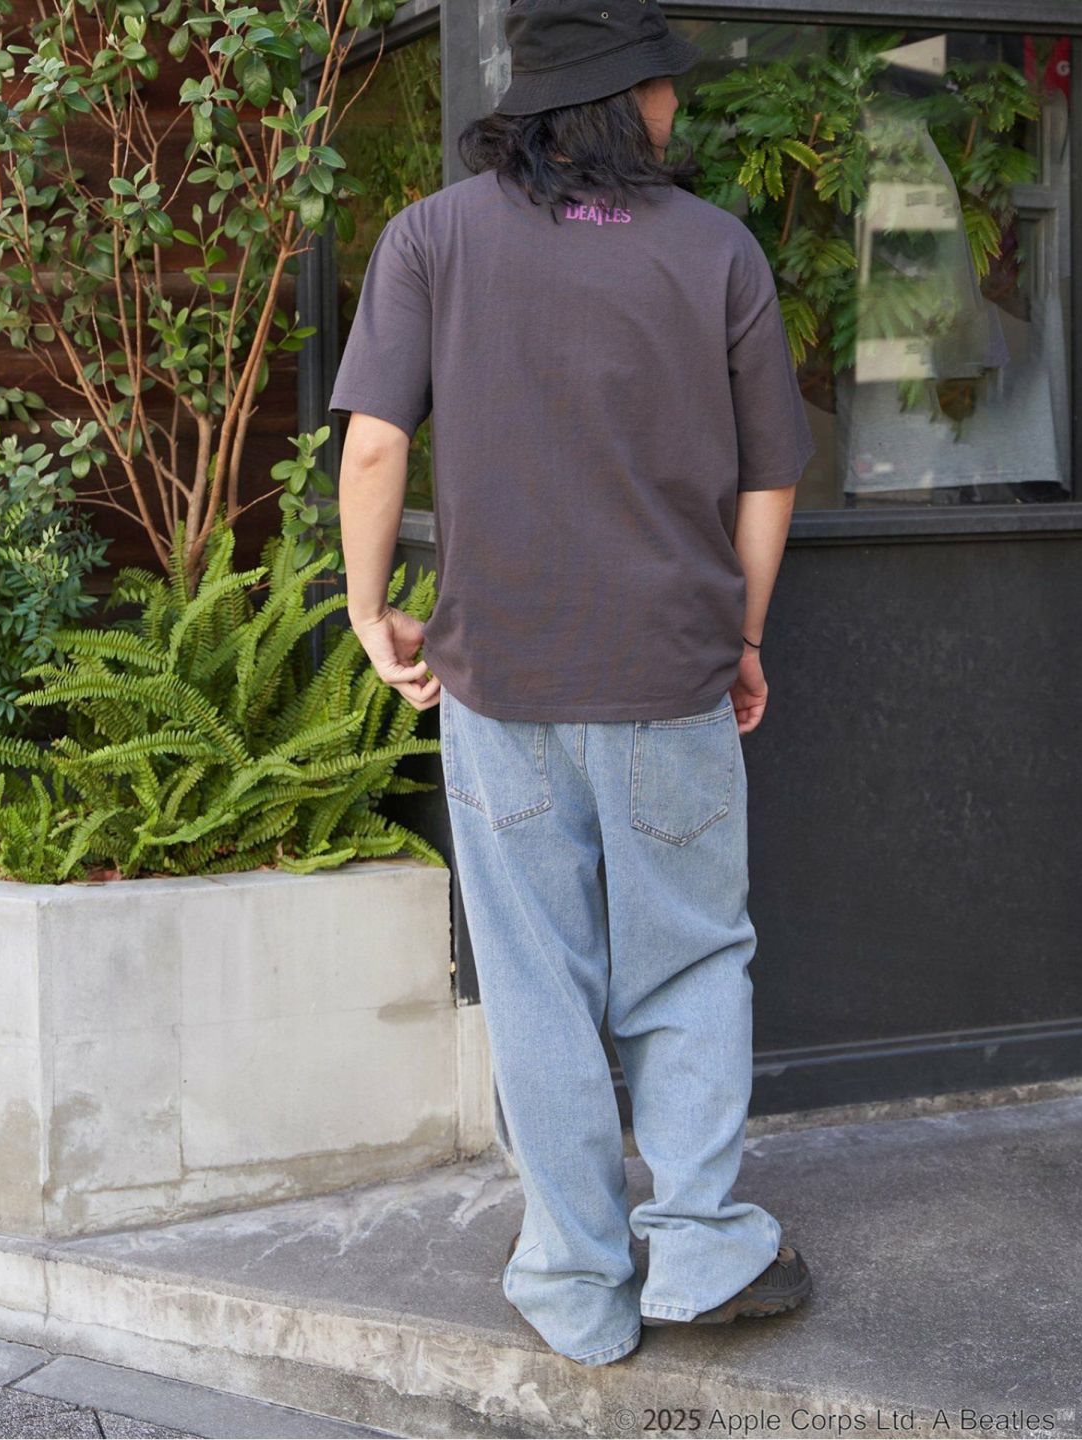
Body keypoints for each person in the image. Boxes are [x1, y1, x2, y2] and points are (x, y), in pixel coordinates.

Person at [329, 0, 816, 1369]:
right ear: (630, 101)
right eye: (667, 86)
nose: (678, 107)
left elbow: (373, 448)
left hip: (501, 678)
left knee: (537, 981)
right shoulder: (716, 249)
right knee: (690, 958)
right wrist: (742, 636)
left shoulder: (431, 237)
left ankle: (576, 1282)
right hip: (668, 672)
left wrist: (370, 610)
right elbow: (771, 475)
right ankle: (702, 1248)